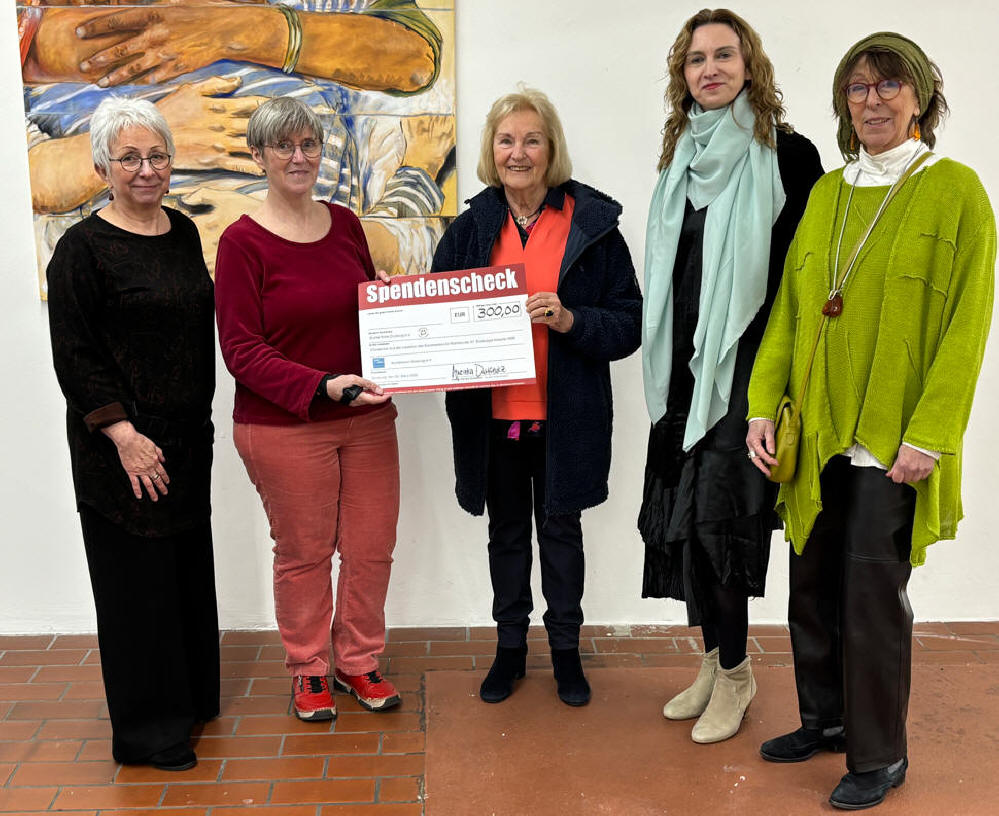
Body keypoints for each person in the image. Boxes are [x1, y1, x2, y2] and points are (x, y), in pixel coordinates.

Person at [746, 32, 994, 810]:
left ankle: (879, 755)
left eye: (888, 84)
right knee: (810, 587)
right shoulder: (826, 193)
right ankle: (823, 721)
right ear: (842, 104)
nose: (872, 100)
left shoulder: (954, 190)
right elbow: (790, 310)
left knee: (869, 598)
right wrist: (761, 405)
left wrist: (930, 434)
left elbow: (966, 326)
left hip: (890, 442)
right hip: (816, 430)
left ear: (920, 96)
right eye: (856, 87)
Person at [639, 8, 822, 745]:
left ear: (750, 66)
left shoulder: (788, 155)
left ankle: (740, 674)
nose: (709, 69)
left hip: (744, 374)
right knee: (685, 528)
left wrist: (779, 386)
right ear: (681, 75)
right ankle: (714, 662)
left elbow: (803, 282)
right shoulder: (680, 155)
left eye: (723, 55)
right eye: (695, 59)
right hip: (684, 371)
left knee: (721, 524)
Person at [432, 86, 642, 707]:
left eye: (531, 140)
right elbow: (437, 316)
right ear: (491, 151)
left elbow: (629, 323)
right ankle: (510, 651)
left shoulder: (592, 226)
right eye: (506, 140)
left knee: (561, 535)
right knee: (505, 537)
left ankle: (567, 654)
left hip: (565, 417)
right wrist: (401, 307)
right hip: (493, 418)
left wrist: (571, 320)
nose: (518, 153)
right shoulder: (470, 228)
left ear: (552, 149)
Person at [215, 96, 402, 722]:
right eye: (283, 146)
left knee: (371, 548)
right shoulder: (241, 243)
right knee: (304, 553)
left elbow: (368, 310)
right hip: (285, 426)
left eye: (309, 145)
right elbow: (241, 351)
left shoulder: (345, 223)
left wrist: (397, 316)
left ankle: (358, 661)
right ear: (258, 156)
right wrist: (322, 385)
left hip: (366, 419)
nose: (299, 157)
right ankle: (309, 668)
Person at [47, 95, 219, 771]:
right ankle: (151, 732)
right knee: (136, 588)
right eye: (129, 158)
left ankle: (190, 700)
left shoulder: (183, 233)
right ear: (102, 168)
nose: (147, 170)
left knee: (183, 574)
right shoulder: (80, 250)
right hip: (120, 452)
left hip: (186, 441)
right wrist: (123, 436)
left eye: (157, 156)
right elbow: (76, 356)